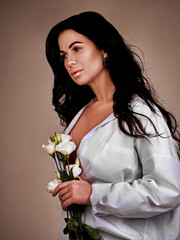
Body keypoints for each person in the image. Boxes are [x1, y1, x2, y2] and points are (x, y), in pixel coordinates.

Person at [45, 11, 180, 240]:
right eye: (64, 55)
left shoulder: (140, 114)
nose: (70, 61)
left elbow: (168, 189)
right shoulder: (80, 114)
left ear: (104, 49)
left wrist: (94, 194)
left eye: (77, 48)